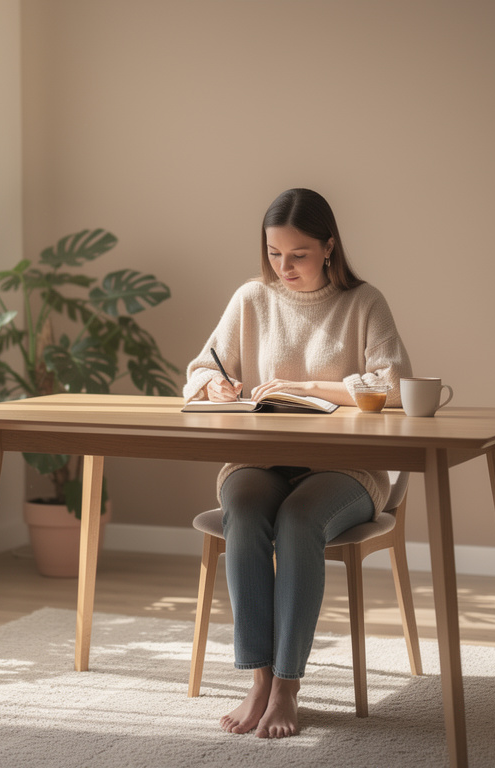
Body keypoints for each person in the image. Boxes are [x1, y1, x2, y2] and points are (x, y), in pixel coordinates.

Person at [183, 188, 412, 738]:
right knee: (242, 506)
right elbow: (195, 373)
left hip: (346, 471)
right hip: (260, 462)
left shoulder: (364, 303)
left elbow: (396, 387)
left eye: (299, 254)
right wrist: (214, 384)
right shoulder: (250, 300)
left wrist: (309, 386)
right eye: (274, 254)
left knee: (300, 519)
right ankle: (258, 679)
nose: (284, 267)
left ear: (329, 247)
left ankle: (287, 684)